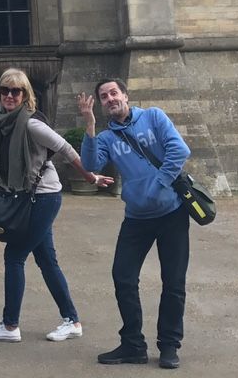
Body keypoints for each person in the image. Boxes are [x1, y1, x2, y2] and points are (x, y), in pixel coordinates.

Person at [0, 68, 112, 344]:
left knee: (14, 256)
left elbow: (64, 148)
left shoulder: (30, 124)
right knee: (46, 260)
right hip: (29, 196)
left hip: (42, 197)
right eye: (5, 90)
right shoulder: (2, 121)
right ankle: (72, 320)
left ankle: (10, 324)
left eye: (16, 91)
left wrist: (89, 176)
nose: (10, 96)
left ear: (26, 95)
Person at [79, 78, 191, 370]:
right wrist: (90, 126)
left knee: (174, 282)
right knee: (123, 278)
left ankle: (168, 345)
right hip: (137, 219)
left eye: (114, 93)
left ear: (125, 95)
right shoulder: (106, 137)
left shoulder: (153, 117)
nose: (110, 98)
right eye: (104, 97)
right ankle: (133, 344)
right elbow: (91, 165)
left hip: (172, 214)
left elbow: (180, 151)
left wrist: (157, 185)